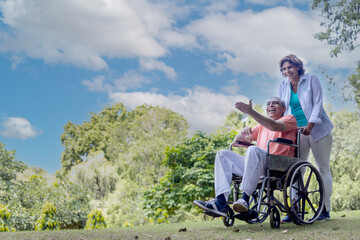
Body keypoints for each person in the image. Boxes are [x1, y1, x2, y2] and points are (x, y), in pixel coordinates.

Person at [193, 97, 297, 217]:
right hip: (257, 166)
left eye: (275, 103)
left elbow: (274, 126)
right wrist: (242, 133)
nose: (271, 105)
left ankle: (245, 199)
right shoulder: (261, 126)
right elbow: (239, 139)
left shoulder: (289, 119)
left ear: (283, 108)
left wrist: (250, 112)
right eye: (268, 103)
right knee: (222, 154)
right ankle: (221, 201)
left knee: (252, 150)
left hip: (277, 166)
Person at [278, 54, 333, 222]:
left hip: (318, 131)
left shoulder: (311, 80)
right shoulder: (283, 85)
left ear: (298, 67)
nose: (287, 71)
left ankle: (325, 208)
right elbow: (284, 110)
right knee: (295, 171)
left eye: (290, 67)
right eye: (284, 69)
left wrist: (311, 124)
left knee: (322, 168)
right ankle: (295, 208)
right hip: (297, 132)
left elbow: (317, 103)